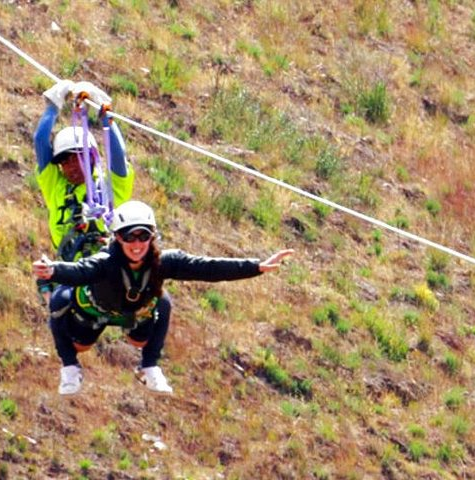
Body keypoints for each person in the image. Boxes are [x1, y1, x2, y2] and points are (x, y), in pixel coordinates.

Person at [32, 200, 294, 396]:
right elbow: (80, 271)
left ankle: (149, 366)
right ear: (118, 239)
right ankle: (70, 369)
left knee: (163, 301)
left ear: (152, 237)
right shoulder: (106, 261)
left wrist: (256, 266)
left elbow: (208, 268)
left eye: (143, 236)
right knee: (59, 301)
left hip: (137, 315)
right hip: (93, 310)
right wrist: (53, 270)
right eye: (129, 237)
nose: (137, 245)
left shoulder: (164, 262)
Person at [33, 79, 135, 304]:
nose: (71, 166)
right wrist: (53, 105)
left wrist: (105, 116)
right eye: (65, 162)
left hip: (103, 267)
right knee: (58, 303)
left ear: (91, 156)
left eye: (77, 157)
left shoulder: (108, 191)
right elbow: (40, 140)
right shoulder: (56, 187)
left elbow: (118, 157)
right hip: (71, 270)